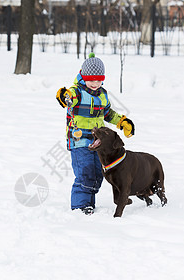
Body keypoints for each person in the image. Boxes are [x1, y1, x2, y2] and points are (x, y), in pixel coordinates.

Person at [55, 53, 135, 215]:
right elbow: (69, 96)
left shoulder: (102, 94)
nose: (95, 84)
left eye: (99, 80)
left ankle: (88, 204)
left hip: (98, 143)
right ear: (84, 77)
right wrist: (64, 95)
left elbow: (108, 114)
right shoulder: (77, 92)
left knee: (98, 173)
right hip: (79, 142)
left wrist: (122, 122)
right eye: (91, 80)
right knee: (85, 173)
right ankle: (80, 207)